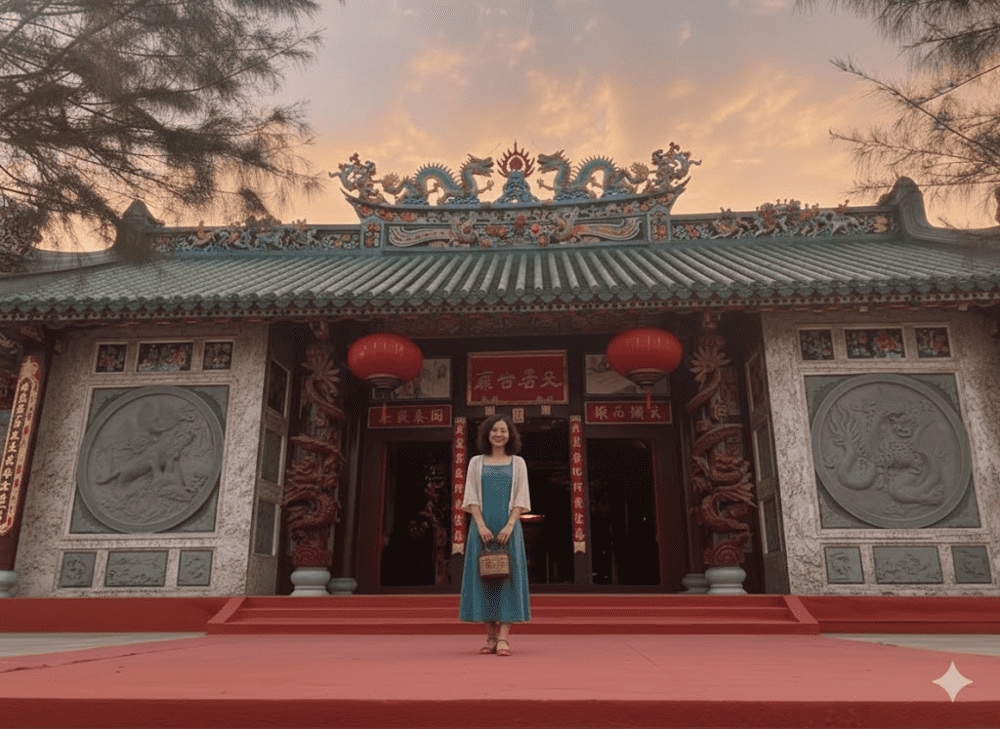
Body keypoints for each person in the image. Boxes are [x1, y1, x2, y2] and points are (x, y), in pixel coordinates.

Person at [459, 414, 531, 656]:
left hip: (509, 528)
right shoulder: (476, 463)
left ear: (510, 435)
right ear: (487, 434)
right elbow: (470, 496)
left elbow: (521, 497)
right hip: (482, 527)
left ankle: (503, 638)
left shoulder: (518, 463)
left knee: (507, 579)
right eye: (494, 430)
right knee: (484, 578)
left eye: (503, 431)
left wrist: (510, 525)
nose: (499, 434)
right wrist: (480, 525)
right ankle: (490, 636)